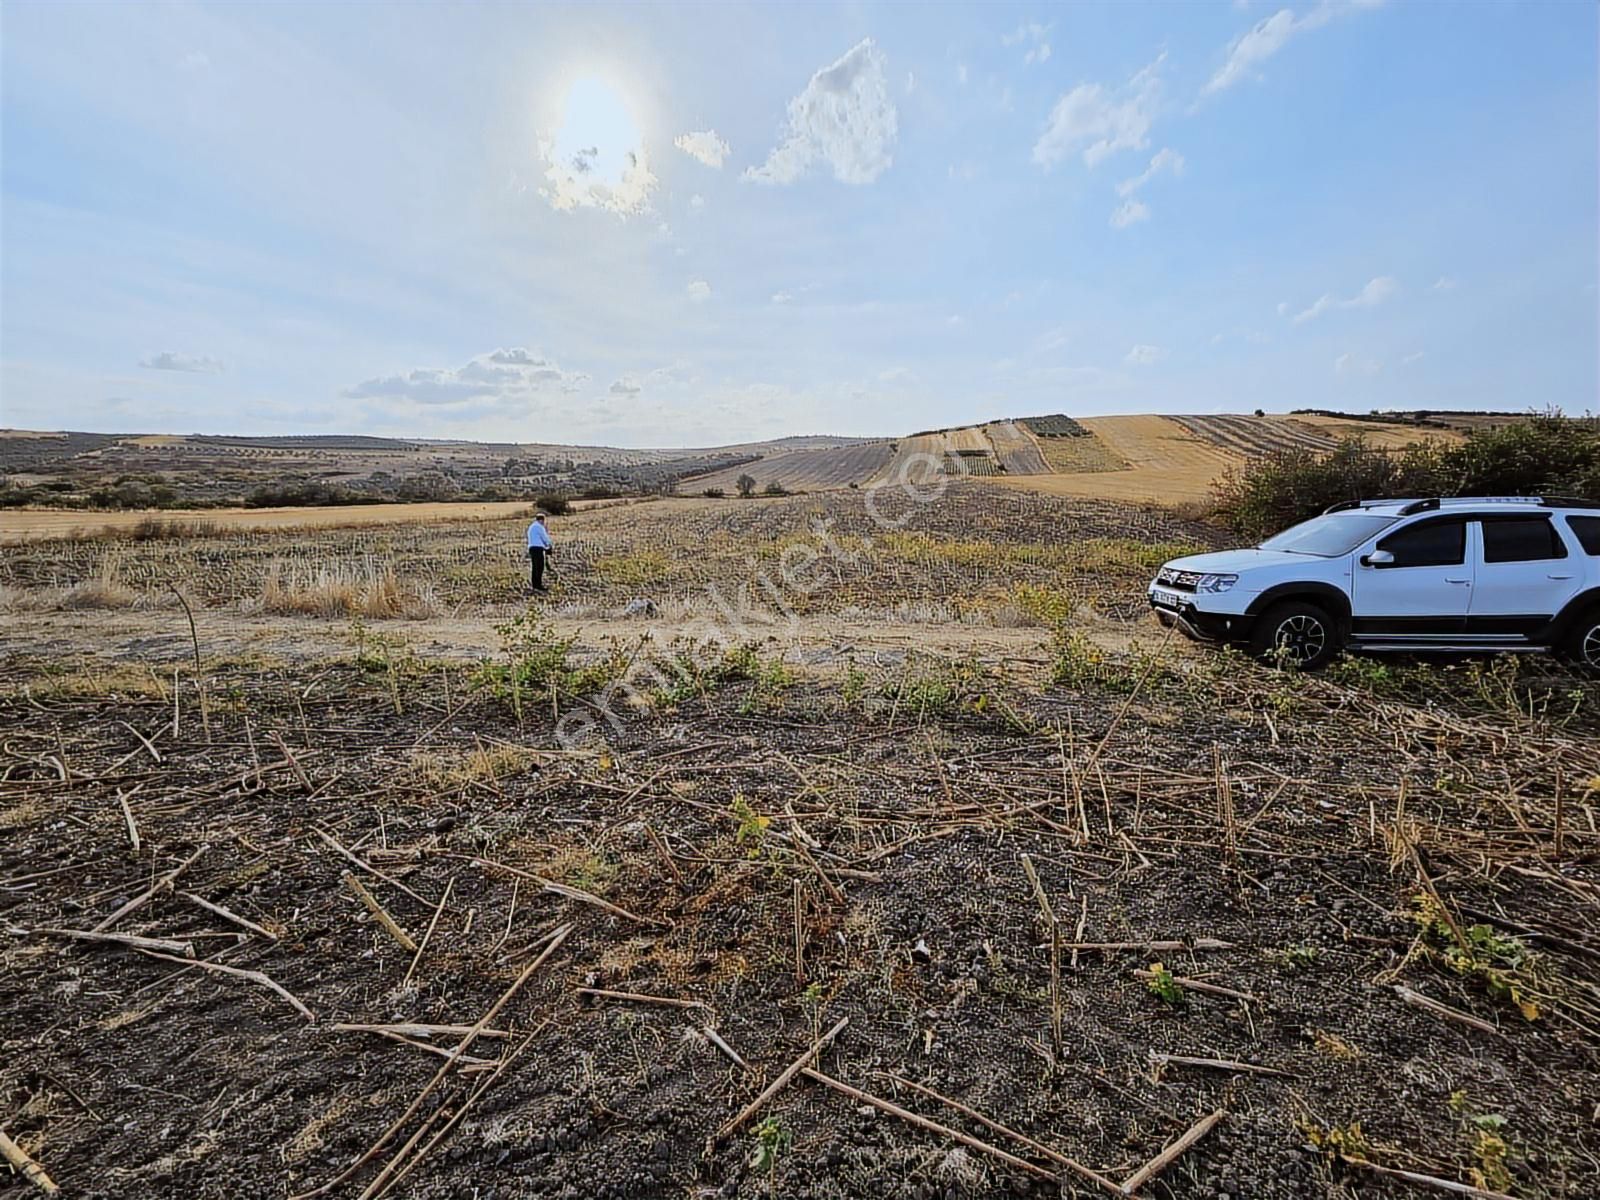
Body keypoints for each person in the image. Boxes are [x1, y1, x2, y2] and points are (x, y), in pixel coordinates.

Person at [526, 512, 553, 591]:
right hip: (538, 549)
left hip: (531, 548)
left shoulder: (531, 527)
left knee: (535, 567)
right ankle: (539, 585)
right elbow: (544, 537)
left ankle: (535, 585)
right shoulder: (539, 527)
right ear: (542, 520)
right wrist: (549, 545)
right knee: (540, 567)